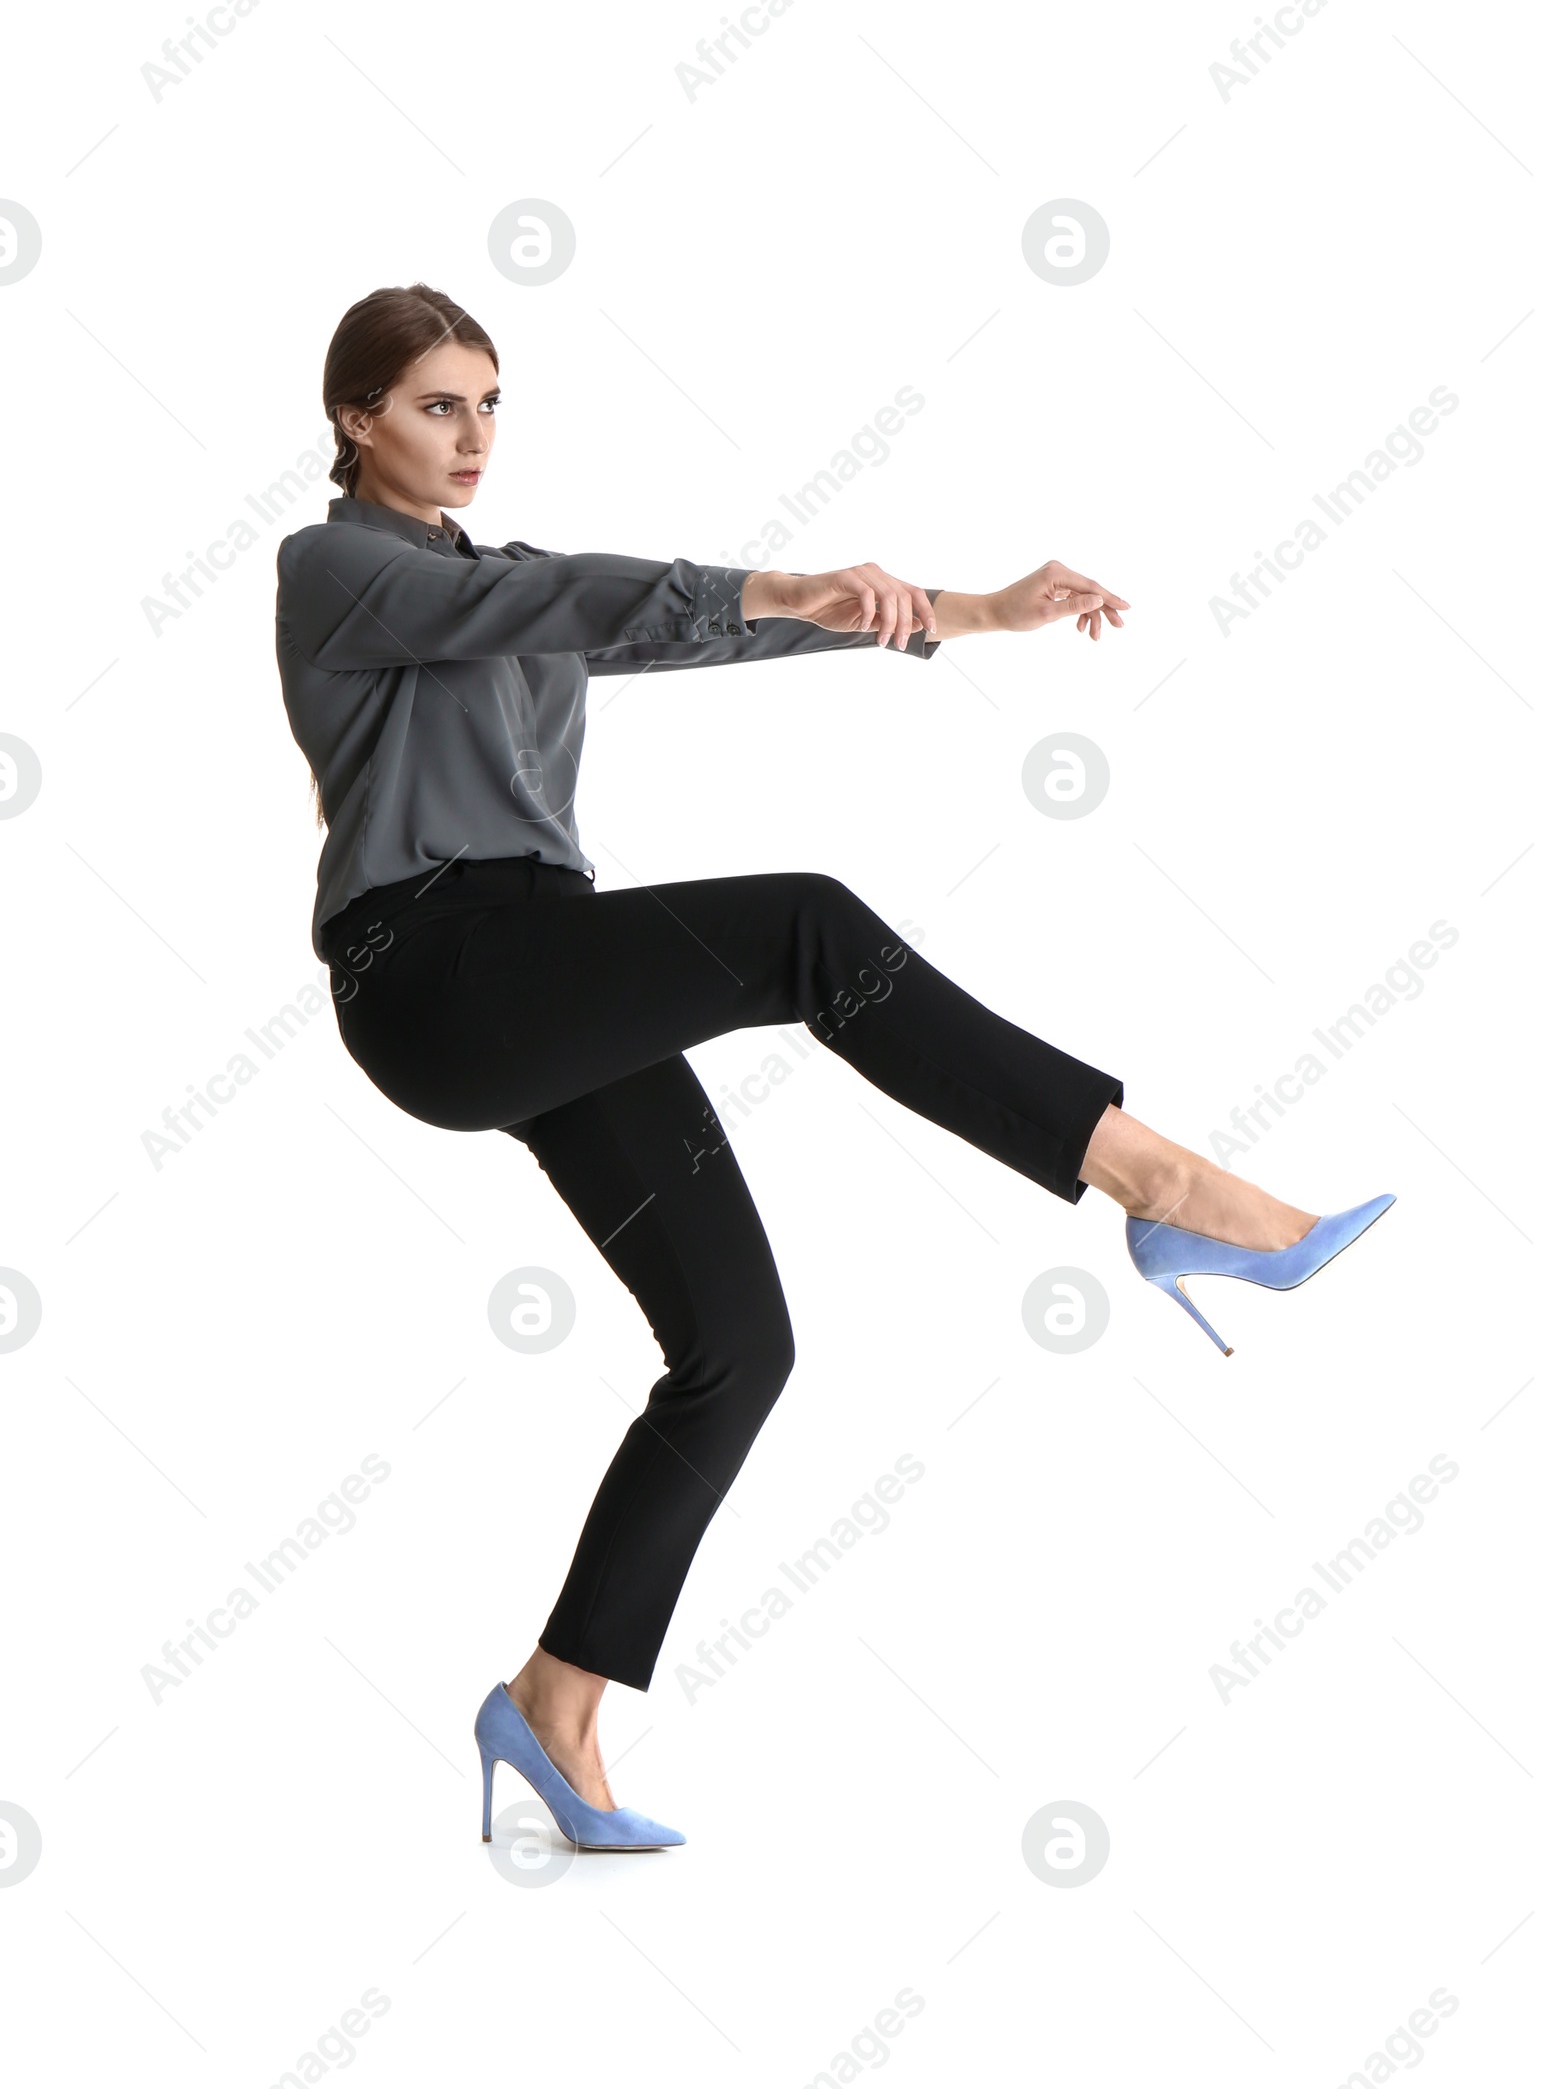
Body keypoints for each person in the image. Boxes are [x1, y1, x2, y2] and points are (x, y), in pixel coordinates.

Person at [277, 282, 1392, 1852]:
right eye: (435, 406)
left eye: (488, 402)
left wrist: (972, 615)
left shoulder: (517, 582)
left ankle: (553, 1707)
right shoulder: (333, 569)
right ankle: (1162, 1182)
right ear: (356, 419)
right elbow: (565, 607)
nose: (470, 436)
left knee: (739, 1346)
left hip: (548, 970)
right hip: (433, 972)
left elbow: (669, 623)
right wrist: (793, 572)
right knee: (806, 925)